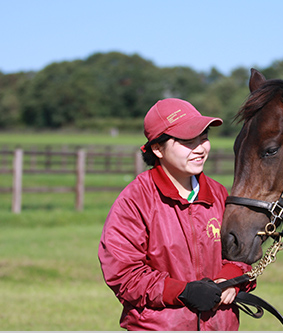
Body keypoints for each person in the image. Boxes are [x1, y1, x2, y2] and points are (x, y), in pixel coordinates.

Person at [98, 98, 254, 331]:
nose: (200, 148)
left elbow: (240, 253)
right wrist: (183, 292)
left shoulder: (219, 193)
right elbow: (124, 273)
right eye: (188, 141)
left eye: (204, 137)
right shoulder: (135, 200)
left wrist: (232, 280)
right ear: (157, 148)